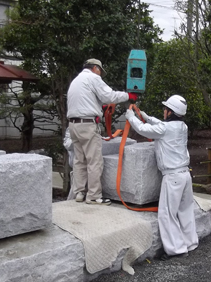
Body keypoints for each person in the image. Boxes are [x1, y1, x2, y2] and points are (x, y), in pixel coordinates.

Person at [125, 95, 198, 259]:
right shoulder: (182, 126)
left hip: (172, 177)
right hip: (185, 175)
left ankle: (177, 249)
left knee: (167, 214)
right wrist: (145, 116)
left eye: (166, 109)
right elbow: (161, 125)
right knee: (185, 210)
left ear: (170, 111)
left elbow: (143, 130)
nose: (164, 111)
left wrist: (131, 117)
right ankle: (190, 242)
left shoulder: (166, 129)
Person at [67, 58, 136, 205]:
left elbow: (86, 101)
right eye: (100, 71)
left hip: (73, 125)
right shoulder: (93, 78)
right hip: (87, 125)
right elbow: (109, 96)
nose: (100, 75)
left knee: (79, 160)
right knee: (94, 161)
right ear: (95, 68)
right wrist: (128, 96)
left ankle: (79, 192)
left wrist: (100, 108)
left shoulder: (76, 81)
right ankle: (93, 196)